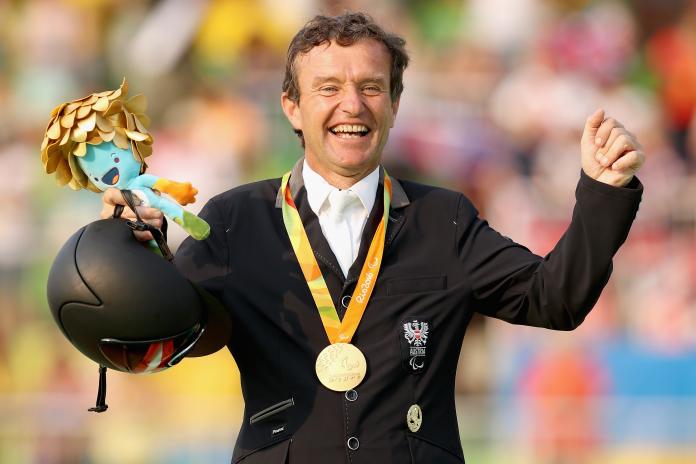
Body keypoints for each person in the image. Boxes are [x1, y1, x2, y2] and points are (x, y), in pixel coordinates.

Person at [101, 12, 644, 464]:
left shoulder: (445, 217)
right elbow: (167, 334)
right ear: (292, 106)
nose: (352, 105)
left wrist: (602, 193)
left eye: (371, 87)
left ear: (394, 103)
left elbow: (556, 299)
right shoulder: (233, 218)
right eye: (328, 88)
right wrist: (138, 252)